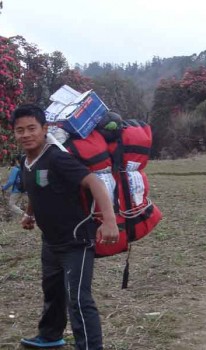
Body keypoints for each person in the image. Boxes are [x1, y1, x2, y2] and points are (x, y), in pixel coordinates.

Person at [10, 104, 119, 349]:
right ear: (14, 134)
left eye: (32, 128)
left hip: (76, 241)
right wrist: (30, 215)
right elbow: (37, 190)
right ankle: (50, 336)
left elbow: (94, 183)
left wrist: (110, 221)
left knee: (79, 299)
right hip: (50, 241)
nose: (26, 134)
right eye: (20, 130)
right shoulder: (26, 160)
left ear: (44, 129)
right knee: (53, 292)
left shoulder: (57, 157)